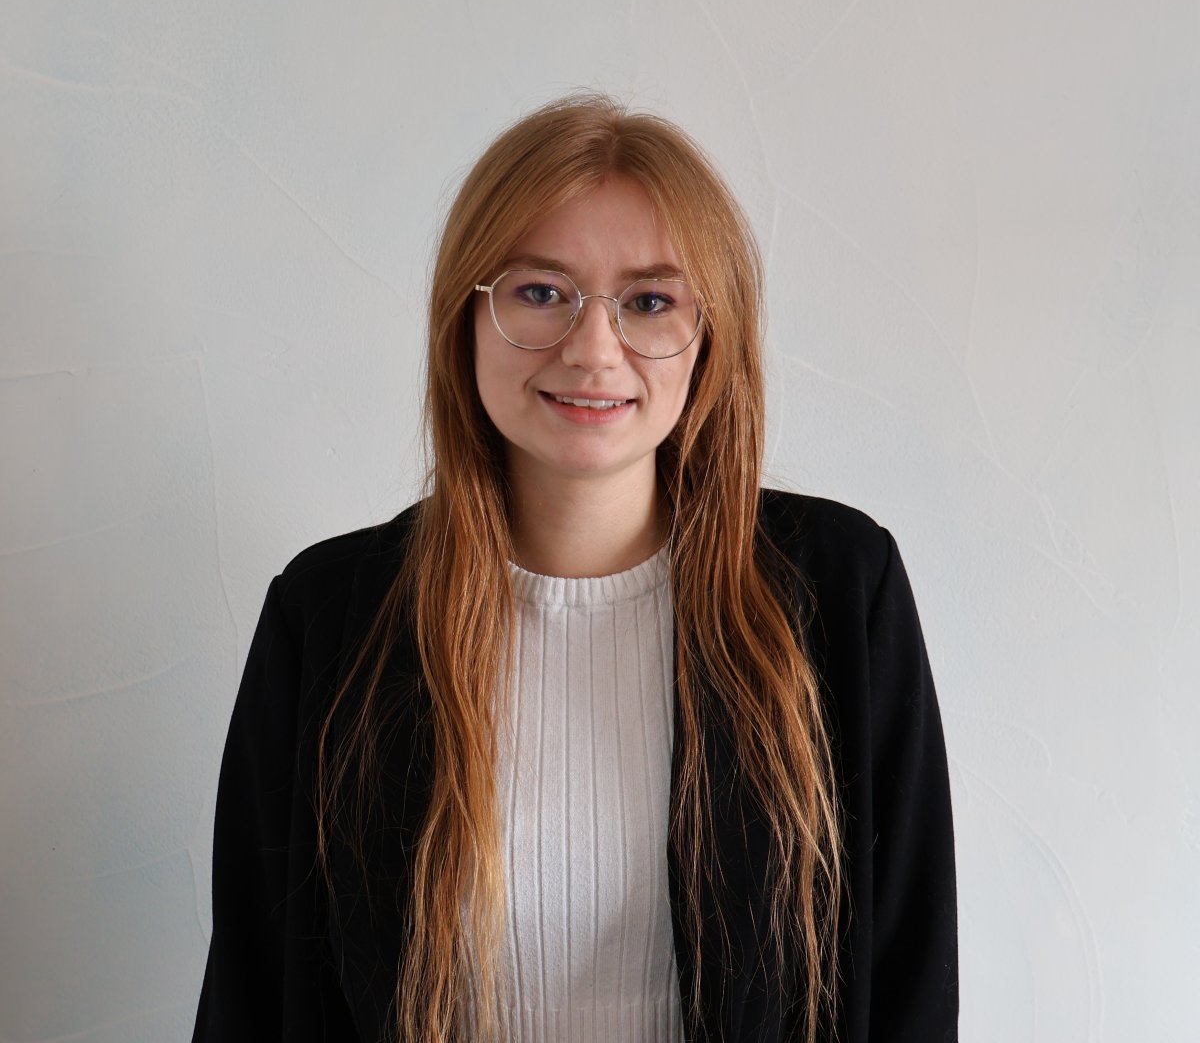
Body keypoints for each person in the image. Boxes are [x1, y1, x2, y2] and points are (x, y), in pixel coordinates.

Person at [192, 94, 958, 1043]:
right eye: (541, 292)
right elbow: (253, 997)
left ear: (709, 334)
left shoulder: (836, 591)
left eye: (650, 301)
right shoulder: (329, 616)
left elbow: (910, 981)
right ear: (467, 315)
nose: (594, 350)